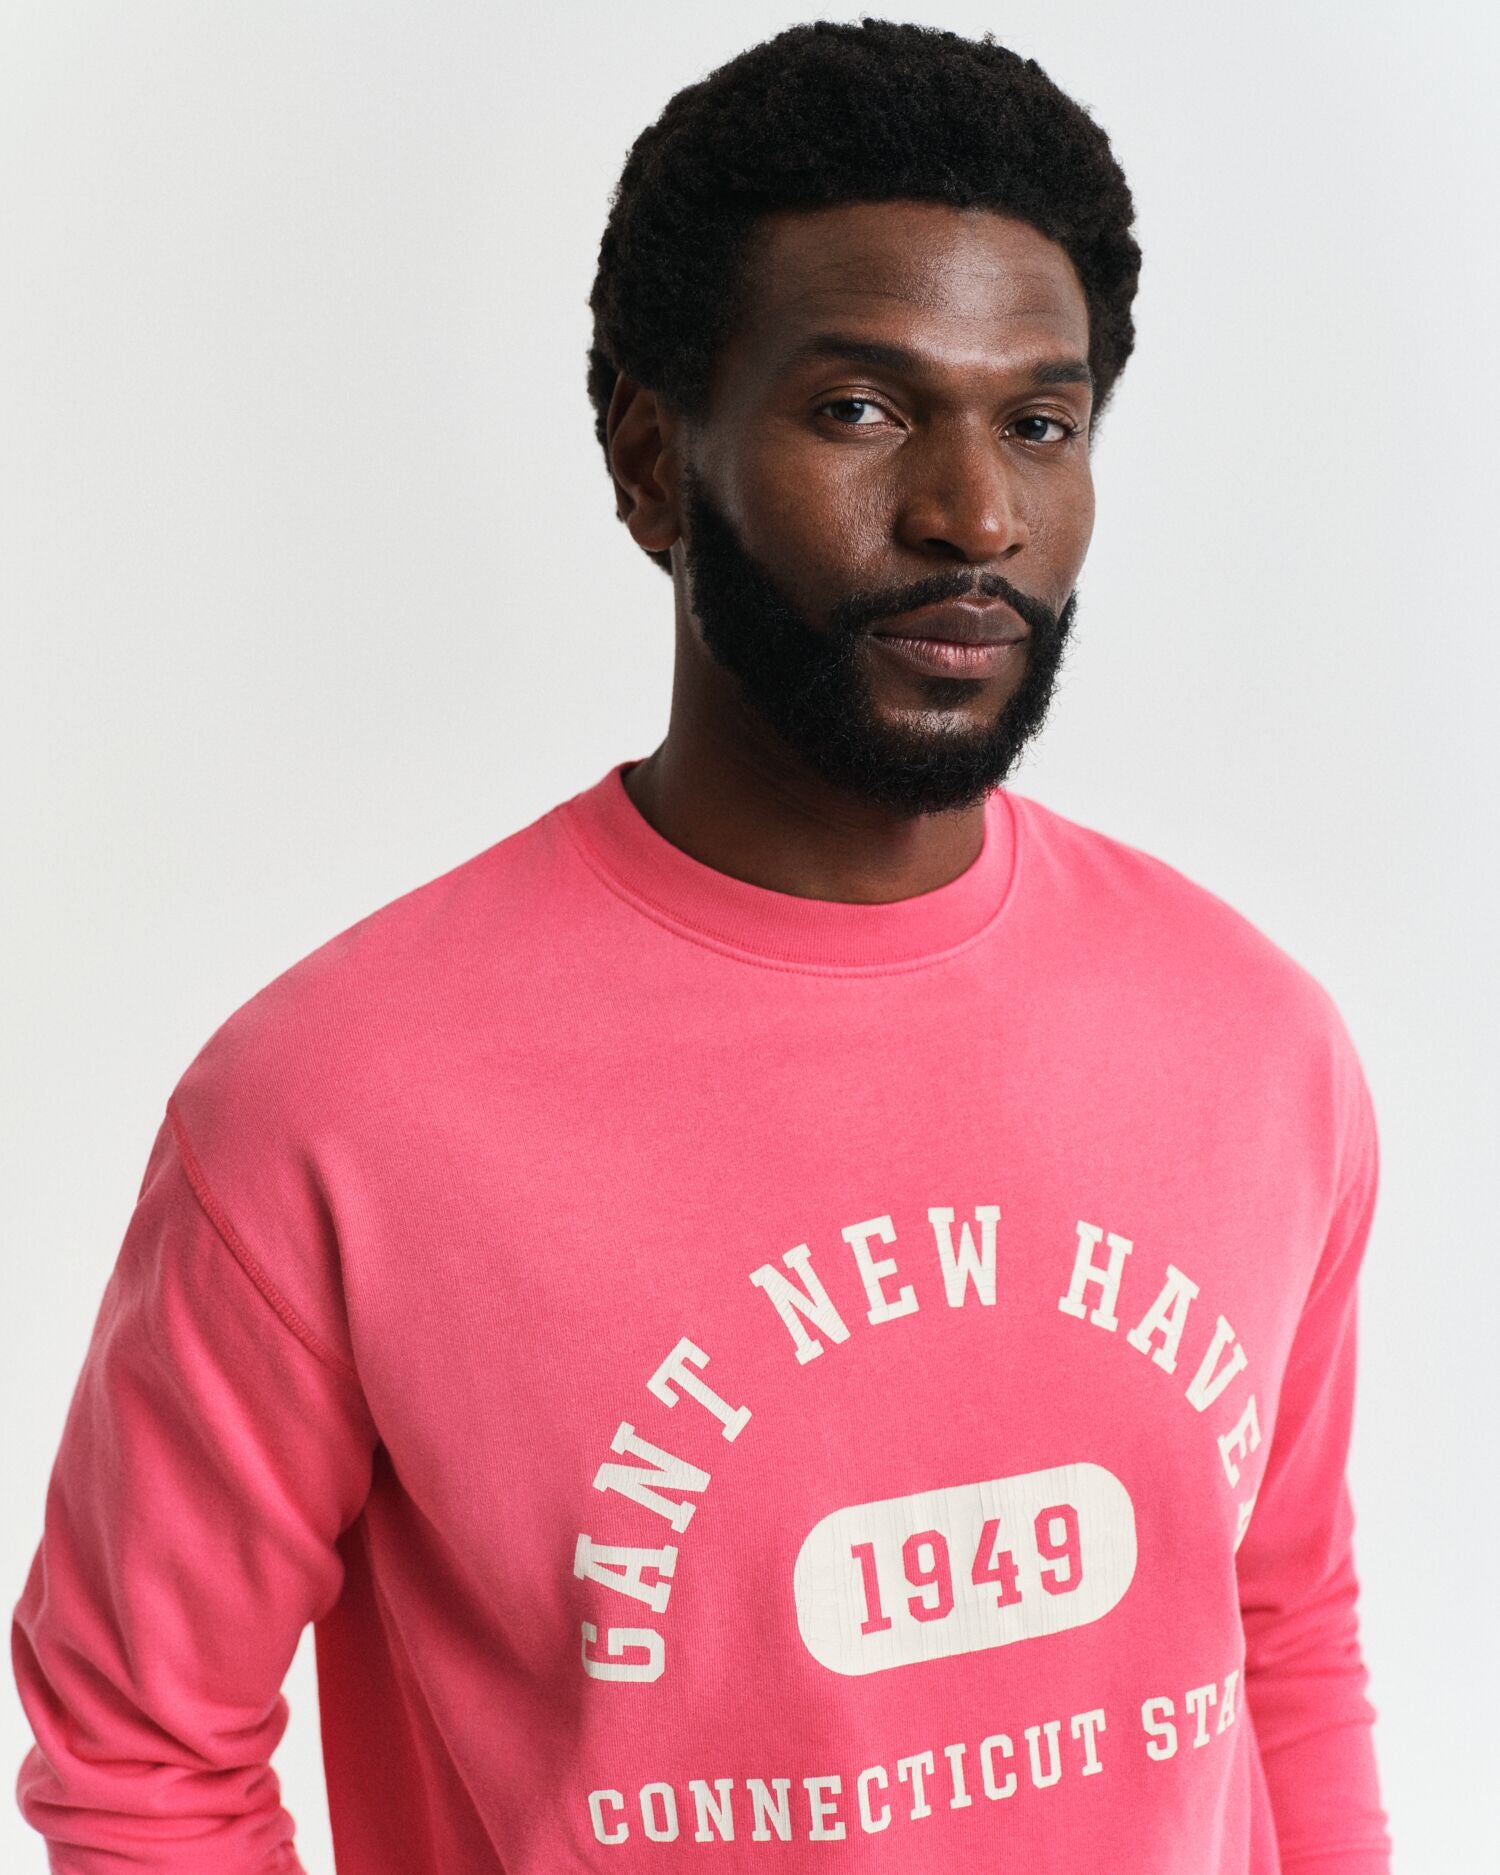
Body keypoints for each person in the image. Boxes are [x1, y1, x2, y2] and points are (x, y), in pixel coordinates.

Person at [12, 18, 1391, 1872]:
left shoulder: (1257, 1044)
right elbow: (141, 1757)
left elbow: (1282, 1633)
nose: (974, 516)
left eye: (1039, 423)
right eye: (862, 410)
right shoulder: (332, 1108)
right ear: (655, 461)